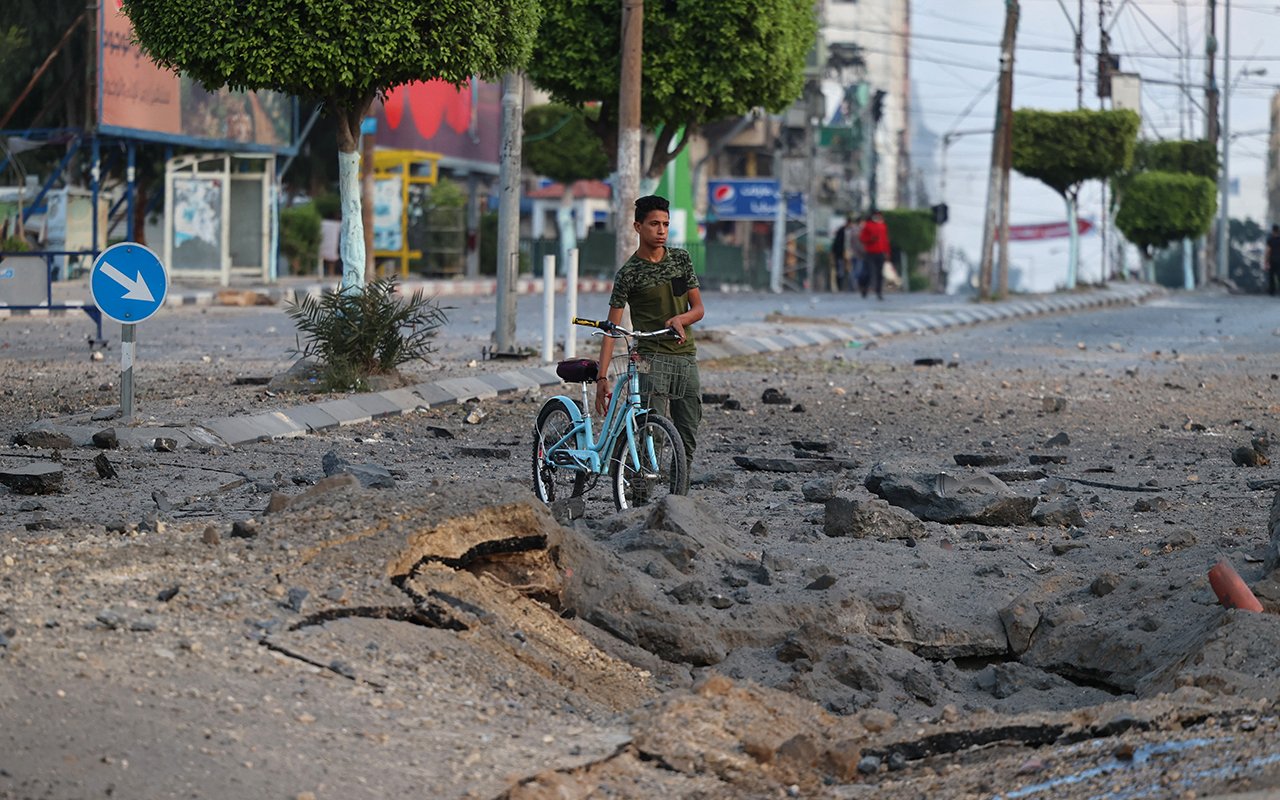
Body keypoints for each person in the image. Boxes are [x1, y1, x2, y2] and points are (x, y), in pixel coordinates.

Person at [595, 195, 705, 480]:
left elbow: (698, 309)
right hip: (647, 359)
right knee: (648, 432)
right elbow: (612, 329)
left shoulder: (681, 260)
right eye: (654, 224)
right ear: (637, 226)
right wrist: (601, 377)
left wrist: (680, 319)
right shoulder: (628, 274)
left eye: (666, 224)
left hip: (685, 357)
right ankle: (639, 501)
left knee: (687, 432)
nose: (661, 231)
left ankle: (679, 500)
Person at [859, 210, 891, 299]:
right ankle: (865, 289)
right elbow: (862, 238)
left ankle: (879, 291)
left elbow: (885, 240)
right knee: (869, 272)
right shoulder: (868, 225)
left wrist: (887, 252)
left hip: (880, 253)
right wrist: (870, 239)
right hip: (870, 252)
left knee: (879, 273)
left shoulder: (883, 226)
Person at [831, 215, 858, 292]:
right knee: (840, 271)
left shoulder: (851, 231)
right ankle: (840, 287)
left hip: (849, 253)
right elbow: (837, 243)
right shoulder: (842, 231)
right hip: (840, 254)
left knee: (849, 270)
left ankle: (849, 286)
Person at [1265, 225, 1280, 296]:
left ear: (1272, 231)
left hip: (1272, 260)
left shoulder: (1270, 240)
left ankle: (1272, 291)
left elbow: (1268, 251)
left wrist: (1266, 262)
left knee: (1271, 276)